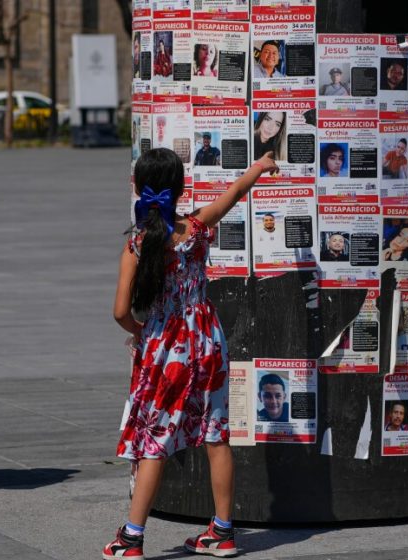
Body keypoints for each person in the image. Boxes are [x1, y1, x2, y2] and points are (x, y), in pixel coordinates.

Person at [103, 148, 278, 559]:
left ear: (138, 188)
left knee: (154, 440)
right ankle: (222, 531)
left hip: (168, 351)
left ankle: (131, 538)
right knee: (216, 435)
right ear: (179, 188)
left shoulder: (137, 245)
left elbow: (119, 312)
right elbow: (232, 194)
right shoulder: (197, 228)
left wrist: (141, 331)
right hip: (208, 340)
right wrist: (258, 166)